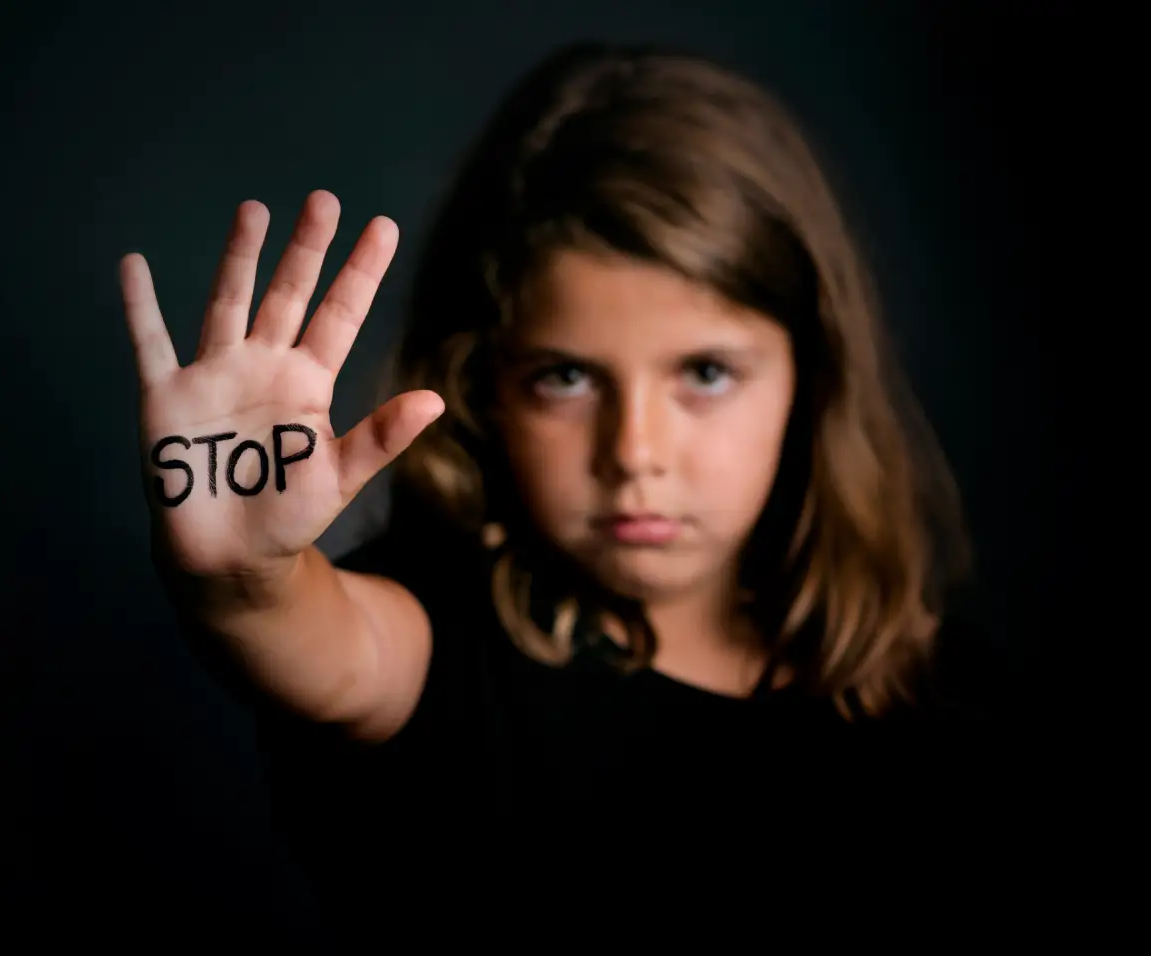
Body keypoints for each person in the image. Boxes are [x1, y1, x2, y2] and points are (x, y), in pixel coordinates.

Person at [119, 43, 1015, 908]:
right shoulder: (437, 644)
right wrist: (245, 581)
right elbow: (327, 645)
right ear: (486, 388)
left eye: (705, 374)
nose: (634, 452)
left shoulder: (935, 690)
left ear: (809, 382)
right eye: (567, 378)